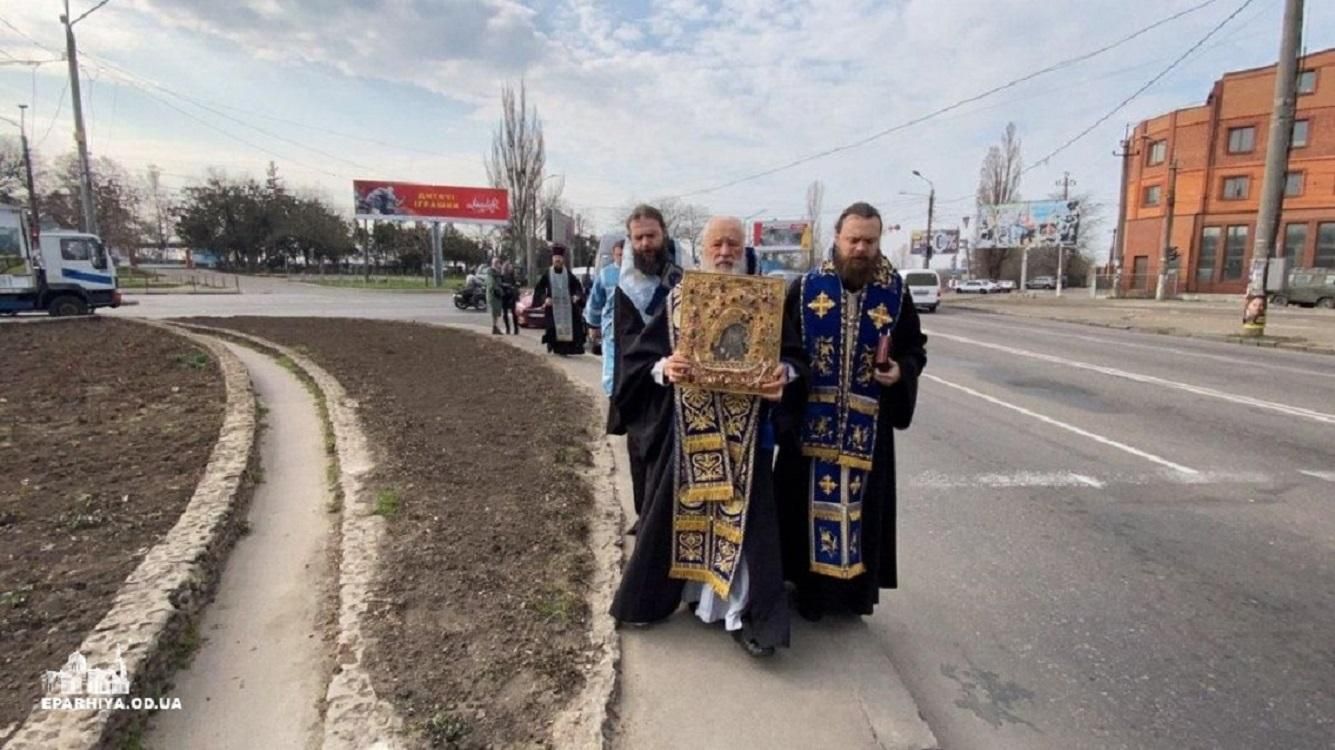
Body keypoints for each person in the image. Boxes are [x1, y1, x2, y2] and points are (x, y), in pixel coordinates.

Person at [611, 215, 807, 658]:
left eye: (733, 244)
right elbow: (639, 362)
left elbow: (796, 360)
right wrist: (665, 368)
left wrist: (785, 374)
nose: (724, 253)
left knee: (747, 530)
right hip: (690, 435)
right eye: (717, 244)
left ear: (744, 249)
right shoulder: (681, 298)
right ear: (703, 250)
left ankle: (744, 616)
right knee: (680, 519)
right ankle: (673, 598)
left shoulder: (765, 301)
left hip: (748, 442)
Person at [774, 201, 928, 621]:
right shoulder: (805, 289)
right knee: (801, 512)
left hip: (867, 431)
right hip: (810, 430)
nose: (861, 249)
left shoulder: (895, 292)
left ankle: (852, 598)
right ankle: (806, 593)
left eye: (870, 241)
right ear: (837, 239)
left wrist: (901, 371)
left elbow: (914, 348)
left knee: (861, 514)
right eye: (854, 240)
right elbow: (782, 349)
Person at [611, 206, 684, 527]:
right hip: (645, 388)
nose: (645, 244)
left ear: (663, 234)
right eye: (638, 238)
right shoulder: (626, 289)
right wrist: (659, 366)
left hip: (683, 388)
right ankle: (646, 526)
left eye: (651, 236)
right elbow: (627, 344)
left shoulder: (686, 276)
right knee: (644, 460)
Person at [585, 239, 625, 396]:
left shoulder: (638, 274)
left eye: (625, 255)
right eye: (619, 255)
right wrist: (593, 325)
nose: (622, 258)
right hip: (611, 328)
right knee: (611, 367)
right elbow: (595, 302)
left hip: (633, 330)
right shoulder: (606, 274)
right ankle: (612, 397)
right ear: (614, 255)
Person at [531, 244, 586, 355]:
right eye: (556, 258)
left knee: (571, 326)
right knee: (553, 329)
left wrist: (577, 296)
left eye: (559, 258)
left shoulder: (568, 274)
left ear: (563, 259)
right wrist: (545, 299)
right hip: (553, 307)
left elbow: (577, 287)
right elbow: (539, 288)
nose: (558, 260)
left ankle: (565, 349)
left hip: (567, 308)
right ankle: (554, 346)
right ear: (552, 259)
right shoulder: (548, 273)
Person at [485, 256, 505, 335]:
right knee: (494, 312)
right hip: (493, 295)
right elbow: (491, 284)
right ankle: (495, 327)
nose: (500, 265)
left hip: (497, 295)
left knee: (496, 312)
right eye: (498, 263)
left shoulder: (497, 272)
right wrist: (498, 290)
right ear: (495, 264)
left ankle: (495, 327)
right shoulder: (491, 272)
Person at [500, 260, 519, 335]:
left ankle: (516, 329)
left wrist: (515, 290)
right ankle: (508, 328)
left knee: (513, 312)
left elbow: (515, 284)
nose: (511, 268)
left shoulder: (512, 275)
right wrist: (508, 286)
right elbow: (500, 284)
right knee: (505, 313)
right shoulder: (502, 276)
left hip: (511, 295)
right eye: (510, 266)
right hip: (505, 295)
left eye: (511, 266)